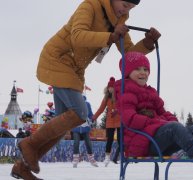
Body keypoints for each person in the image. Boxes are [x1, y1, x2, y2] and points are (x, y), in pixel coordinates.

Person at [11, 0, 161, 179]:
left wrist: (147, 42)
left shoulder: (119, 21)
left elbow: (129, 55)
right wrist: (109, 37)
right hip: (58, 59)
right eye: (124, 5)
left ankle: (22, 168)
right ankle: (29, 144)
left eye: (131, 8)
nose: (126, 10)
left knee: (61, 124)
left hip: (74, 69)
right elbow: (78, 36)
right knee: (80, 113)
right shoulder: (90, 6)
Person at [114, 52, 193, 178]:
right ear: (127, 72)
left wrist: (169, 121)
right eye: (137, 69)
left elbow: (163, 112)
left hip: (158, 139)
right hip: (143, 143)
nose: (143, 72)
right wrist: (158, 122)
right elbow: (129, 119)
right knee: (173, 127)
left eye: (146, 69)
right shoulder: (126, 92)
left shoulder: (150, 92)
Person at [92, 77, 121, 167]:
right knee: (110, 140)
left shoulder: (119, 96)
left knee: (121, 140)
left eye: (112, 87)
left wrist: (117, 110)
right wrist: (94, 117)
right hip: (110, 121)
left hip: (119, 120)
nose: (110, 89)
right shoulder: (106, 98)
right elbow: (101, 109)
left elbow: (123, 105)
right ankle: (107, 157)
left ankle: (122, 156)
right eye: (109, 87)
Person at [71, 95, 98, 168]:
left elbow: (90, 114)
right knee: (76, 142)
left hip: (85, 127)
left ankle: (91, 159)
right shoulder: (74, 105)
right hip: (76, 127)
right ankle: (75, 159)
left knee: (88, 143)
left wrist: (92, 119)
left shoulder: (87, 104)